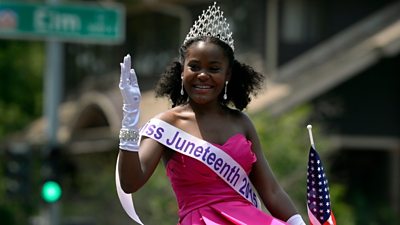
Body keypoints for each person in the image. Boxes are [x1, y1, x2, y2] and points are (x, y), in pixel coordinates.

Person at [117, 2, 306, 225]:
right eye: (194, 67)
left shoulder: (241, 122)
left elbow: (271, 191)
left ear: (227, 75)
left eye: (214, 68)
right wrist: (130, 119)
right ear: (181, 71)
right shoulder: (166, 125)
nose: (203, 75)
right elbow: (130, 182)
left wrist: (298, 223)